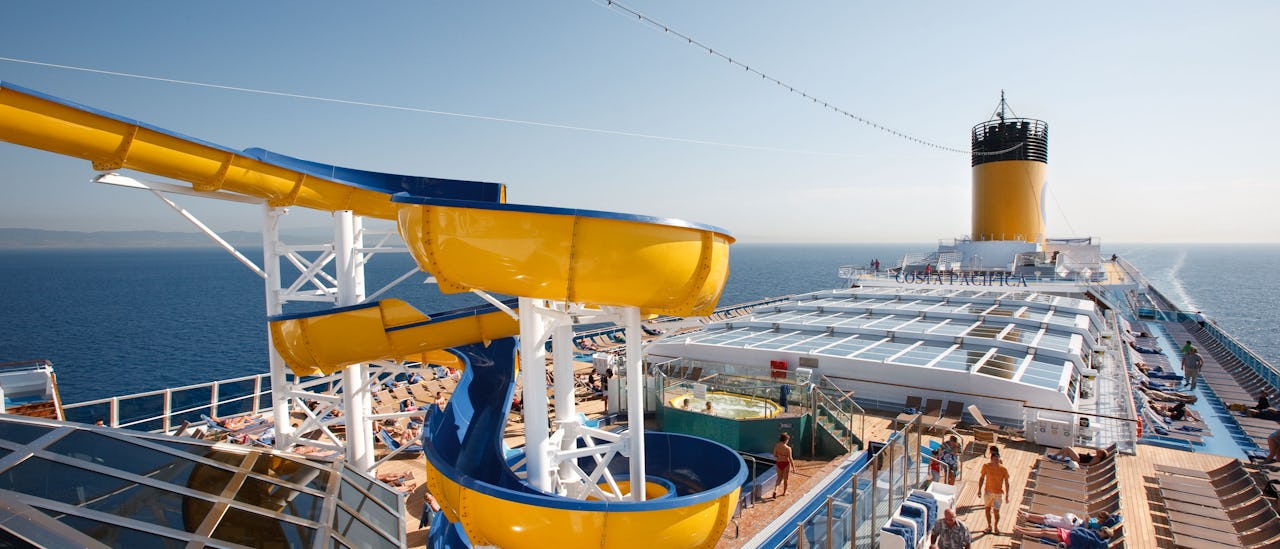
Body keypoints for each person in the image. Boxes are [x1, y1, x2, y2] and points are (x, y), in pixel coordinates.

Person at [977, 454, 1010, 534]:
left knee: (996, 512)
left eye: (997, 459)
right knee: (987, 509)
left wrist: (1007, 495)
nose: (996, 461)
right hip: (988, 492)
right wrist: (979, 490)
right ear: (991, 459)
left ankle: (995, 526)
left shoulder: (1003, 469)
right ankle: (989, 526)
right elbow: (982, 478)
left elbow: (1006, 482)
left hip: (998, 494)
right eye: (995, 459)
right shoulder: (986, 466)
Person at [1013, 524, 1112, 549]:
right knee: (1044, 530)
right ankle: (1022, 529)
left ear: (1104, 535)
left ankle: (1021, 531)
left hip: (1068, 539)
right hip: (1068, 533)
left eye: (1102, 531)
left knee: (1044, 534)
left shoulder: (1096, 543)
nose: (1100, 530)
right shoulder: (1095, 535)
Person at [772, 432, 793, 498]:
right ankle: (784, 492)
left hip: (779, 463)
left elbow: (774, 455)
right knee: (785, 479)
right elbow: (790, 458)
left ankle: (775, 490)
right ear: (786, 440)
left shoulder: (776, 445)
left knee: (779, 478)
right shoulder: (788, 448)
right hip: (786, 463)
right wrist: (793, 467)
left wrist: (779, 456)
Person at [1017, 509, 1082, 529]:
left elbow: (1068, 521)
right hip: (1059, 519)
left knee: (1044, 520)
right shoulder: (1078, 521)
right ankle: (1026, 515)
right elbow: (1067, 516)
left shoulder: (1076, 527)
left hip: (1058, 524)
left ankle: (1026, 516)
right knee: (1046, 517)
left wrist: (1072, 521)